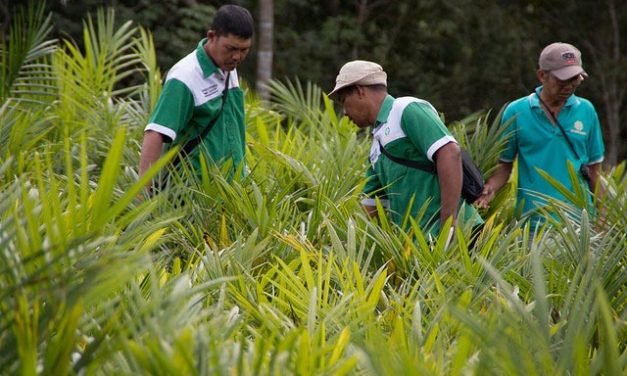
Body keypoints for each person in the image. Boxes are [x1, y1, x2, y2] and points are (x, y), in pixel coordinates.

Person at [328, 60, 483, 238]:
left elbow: (449, 152)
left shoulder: (405, 109)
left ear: (359, 91)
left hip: (457, 234)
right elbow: (372, 203)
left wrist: (449, 225)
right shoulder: (376, 145)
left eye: (343, 101)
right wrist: (346, 242)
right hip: (421, 246)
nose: (345, 112)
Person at [475, 42, 605, 229]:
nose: (569, 86)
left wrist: (602, 216)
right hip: (533, 224)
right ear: (542, 75)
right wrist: (490, 189)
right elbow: (504, 166)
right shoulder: (516, 112)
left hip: (580, 226)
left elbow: (595, 170)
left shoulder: (586, 110)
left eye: (575, 79)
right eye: (562, 80)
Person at [139, 4, 254, 190]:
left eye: (244, 50)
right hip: (194, 200)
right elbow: (156, 132)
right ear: (212, 37)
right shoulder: (185, 76)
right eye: (231, 48)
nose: (237, 57)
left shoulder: (228, 69)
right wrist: (142, 197)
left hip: (231, 196)